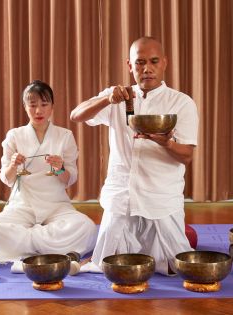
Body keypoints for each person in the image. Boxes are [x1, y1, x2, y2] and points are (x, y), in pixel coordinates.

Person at [70, 37, 199, 275]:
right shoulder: (117, 96)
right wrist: (107, 99)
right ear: (129, 65)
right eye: (139, 63)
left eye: (153, 61)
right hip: (121, 194)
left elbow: (187, 156)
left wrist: (166, 143)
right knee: (106, 264)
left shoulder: (181, 102)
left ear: (164, 63)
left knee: (174, 266)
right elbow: (76, 115)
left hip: (160, 197)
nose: (146, 69)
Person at [0, 80, 97, 262]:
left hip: (55, 204)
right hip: (24, 204)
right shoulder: (15, 135)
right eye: (33, 105)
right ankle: (50, 247)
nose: (38, 111)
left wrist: (60, 169)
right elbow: (6, 178)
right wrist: (13, 166)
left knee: (87, 227)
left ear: (52, 106)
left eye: (44, 105)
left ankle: (26, 245)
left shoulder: (65, 135)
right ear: (25, 106)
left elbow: (70, 179)